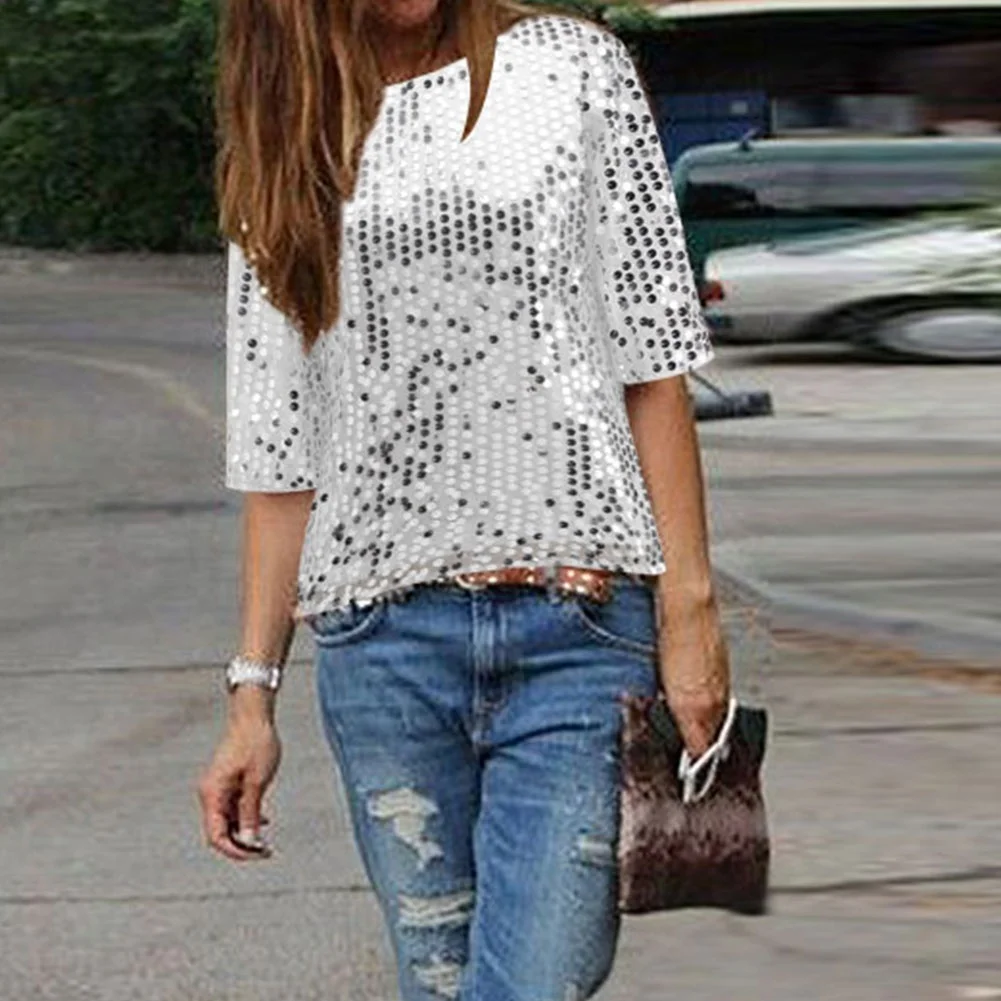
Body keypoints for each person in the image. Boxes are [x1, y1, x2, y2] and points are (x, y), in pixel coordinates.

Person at [197, 0, 730, 998]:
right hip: (381, 652)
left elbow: (651, 363)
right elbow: (282, 455)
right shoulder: (287, 132)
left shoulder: (573, 68)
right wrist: (250, 697)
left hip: (579, 633)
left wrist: (690, 610)